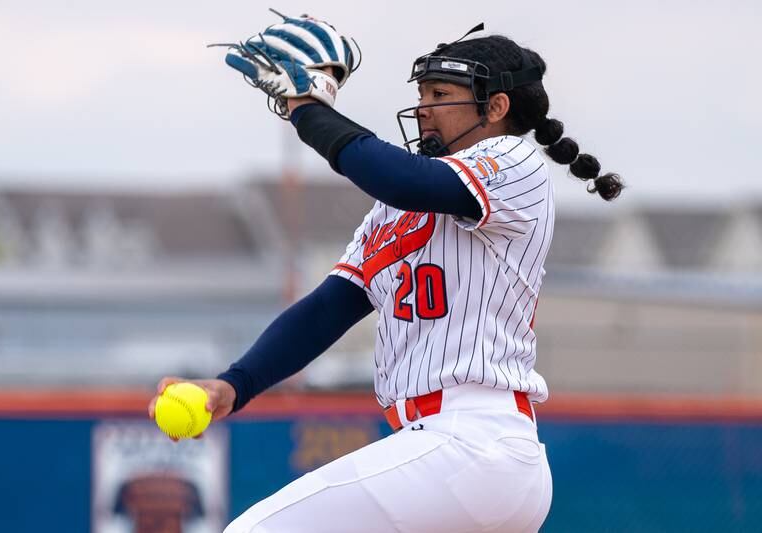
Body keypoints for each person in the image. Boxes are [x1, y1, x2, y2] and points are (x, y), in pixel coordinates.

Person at [149, 14, 624, 533]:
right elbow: (330, 306)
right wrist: (232, 386)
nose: (423, 109)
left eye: (440, 93)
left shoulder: (513, 162)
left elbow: (398, 177)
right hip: (445, 455)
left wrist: (306, 108)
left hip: (472, 441)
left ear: (496, 106)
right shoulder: (400, 204)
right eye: (422, 93)